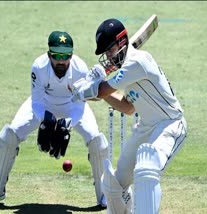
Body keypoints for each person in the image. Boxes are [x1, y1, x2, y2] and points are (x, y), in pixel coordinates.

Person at [0, 31, 108, 208]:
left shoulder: (80, 69)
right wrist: (47, 121)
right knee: (8, 135)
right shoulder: (38, 67)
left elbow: (80, 106)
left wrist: (67, 123)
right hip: (43, 105)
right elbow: (36, 102)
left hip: (72, 105)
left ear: (71, 54)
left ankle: (104, 194)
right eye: (57, 56)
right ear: (49, 54)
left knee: (97, 141)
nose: (61, 61)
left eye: (66, 56)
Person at [71, 19, 188, 213]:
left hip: (170, 125)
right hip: (146, 127)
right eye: (105, 52)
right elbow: (127, 107)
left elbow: (102, 91)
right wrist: (90, 89)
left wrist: (85, 89)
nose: (108, 56)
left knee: (146, 171)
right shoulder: (126, 70)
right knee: (113, 184)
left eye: (110, 50)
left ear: (122, 41)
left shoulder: (138, 61)